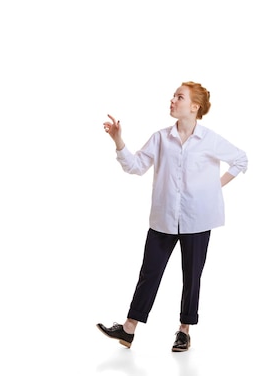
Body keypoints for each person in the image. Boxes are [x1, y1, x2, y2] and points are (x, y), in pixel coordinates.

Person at [96, 81, 248, 352]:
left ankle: (184, 331)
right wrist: (118, 140)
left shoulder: (209, 139)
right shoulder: (160, 138)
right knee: (149, 273)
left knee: (192, 276)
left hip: (197, 219)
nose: (173, 100)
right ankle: (129, 328)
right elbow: (135, 166)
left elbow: (241, 160)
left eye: (179, 97)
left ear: (194, 106)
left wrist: (215, 187)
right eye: (173, 96)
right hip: (164, 219)